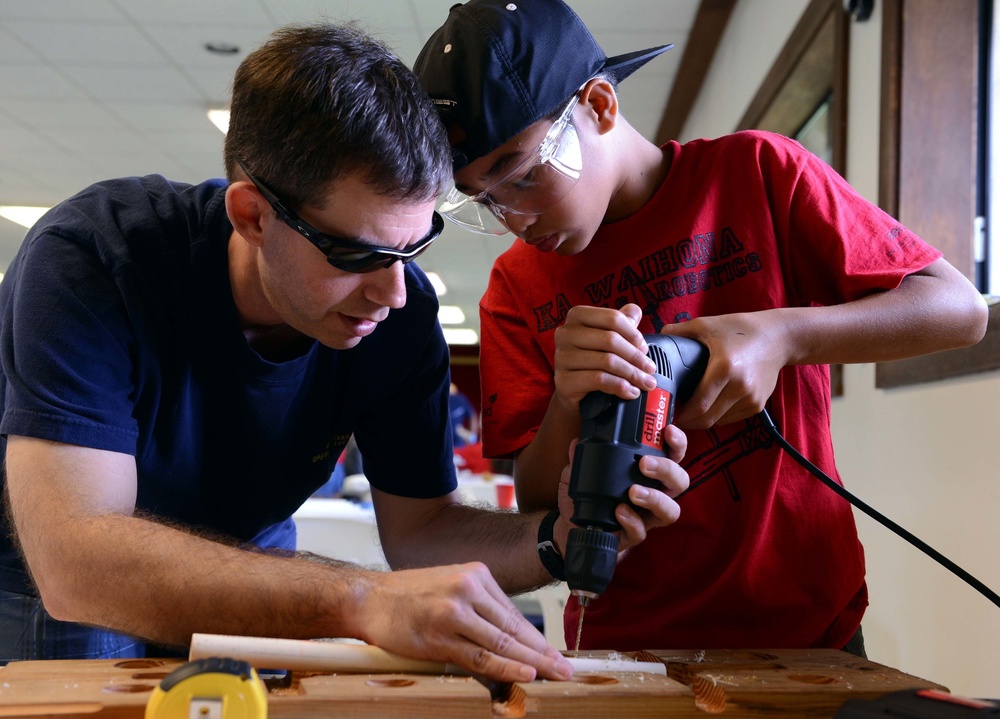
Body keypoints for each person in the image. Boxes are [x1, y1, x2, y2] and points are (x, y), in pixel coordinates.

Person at [0, 22, 692, 679]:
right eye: (358, 252)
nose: (392, 292)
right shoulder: (95, 258)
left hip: (247, 541)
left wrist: (559, 538)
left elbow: (421, 531)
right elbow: (76, 558)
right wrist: (359, 598)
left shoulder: (402, 309)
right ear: (252, 216)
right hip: (53, 561)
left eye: (412, 246)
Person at [414, 0, 989, 653]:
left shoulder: (756, 176)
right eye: (486, 200)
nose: (514, 219)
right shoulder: (516, 288)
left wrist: (781, 335)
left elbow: (958, 309)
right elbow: (538, 498)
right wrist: (570, 401)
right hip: (621, 638)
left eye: (521, 177)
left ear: (600, 106)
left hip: (802, 627)